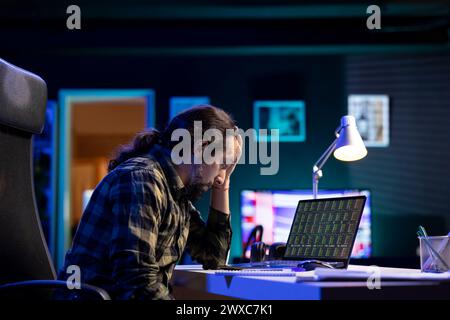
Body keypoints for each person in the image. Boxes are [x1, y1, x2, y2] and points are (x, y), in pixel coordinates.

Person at [57, 105, 242, 300]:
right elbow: (136, 282)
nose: (220, 174)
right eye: (223, 163)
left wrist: (223, 186)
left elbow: (214, 257)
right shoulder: (142, 179)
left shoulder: (175, 193)